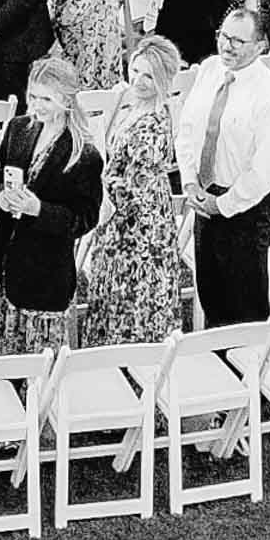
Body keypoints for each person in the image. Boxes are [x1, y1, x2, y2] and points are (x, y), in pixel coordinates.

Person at [177, 7, 270, 326]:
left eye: (238, 41)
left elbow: (266, 171)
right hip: (206, 196)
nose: (227, 46)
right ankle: (217, 365)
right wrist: (190, 182)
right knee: (210, 288)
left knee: (245, 301)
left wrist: (224, 204)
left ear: (260, 46)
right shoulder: (209, 70)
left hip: (247, 207)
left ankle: (249, 369)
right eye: (224, 36)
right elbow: (188, 128)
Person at [0, 58, 104, 355]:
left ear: (66, 99)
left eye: (46, 99)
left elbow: (85, 218)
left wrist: (39, 210)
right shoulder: (18, 128)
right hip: (6, 266)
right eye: (33, 96)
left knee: (39, 375)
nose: (37, 105)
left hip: (45, 275)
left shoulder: (84, 154)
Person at [80, 36, 187, 346]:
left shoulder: (154, 122)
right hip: (120, 212)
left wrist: (92, 187)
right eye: (136, 71)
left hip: (138, 222)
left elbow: (135, 184)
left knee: (135, 288)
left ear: (164, 80)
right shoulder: (135, 107)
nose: (139, 81)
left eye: (149, 76)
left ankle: (133, 352)